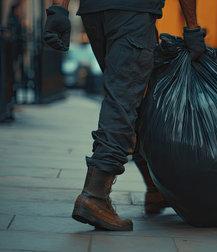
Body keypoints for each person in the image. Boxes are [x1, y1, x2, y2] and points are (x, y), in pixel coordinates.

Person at [43, 0, 206, 231]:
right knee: (124, 99)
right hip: (133, 12)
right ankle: (96, 195)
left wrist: (58, 8)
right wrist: (192, 28)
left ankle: (155, 188)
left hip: (94, 13)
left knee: (137, 99)